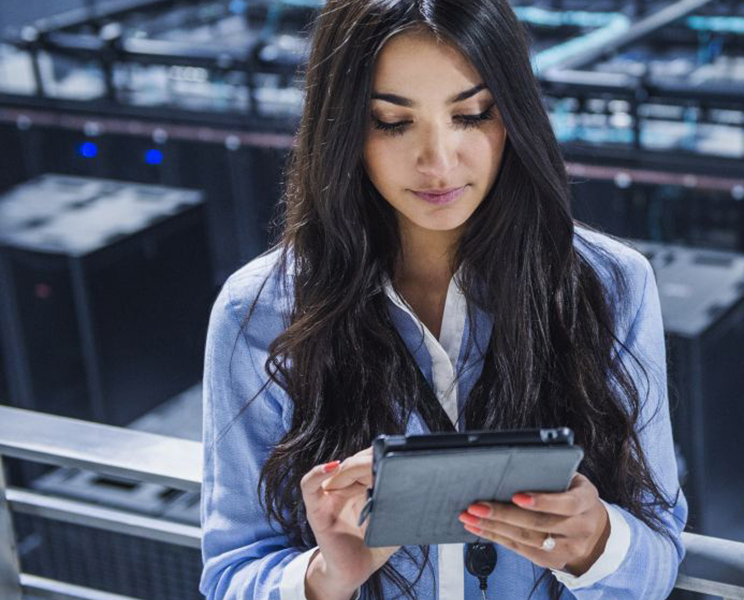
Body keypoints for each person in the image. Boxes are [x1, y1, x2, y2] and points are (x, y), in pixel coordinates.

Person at [196, 0, 687, 598]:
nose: (439, 160)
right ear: (343, 129)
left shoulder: (609, 285)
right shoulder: (262, 310)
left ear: (513, 114)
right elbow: (230, 575)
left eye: (473, 114)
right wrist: (327, 577)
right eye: (392, 122)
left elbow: (661, 553)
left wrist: (598, 543)